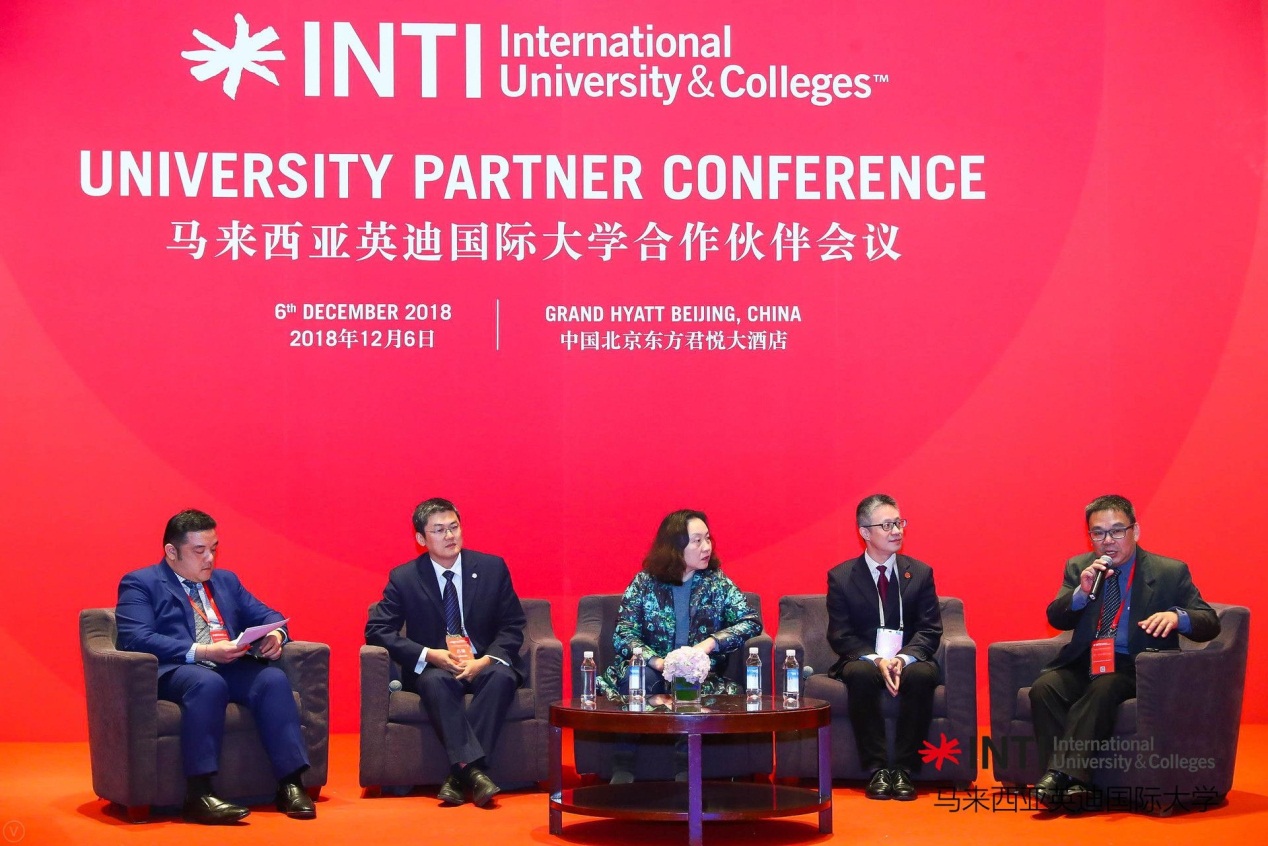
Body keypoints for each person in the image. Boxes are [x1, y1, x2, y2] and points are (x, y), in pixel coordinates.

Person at [115, 509, 314, 824]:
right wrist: (203, 651)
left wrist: (276, 635)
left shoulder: (225, 581)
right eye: (199, 551)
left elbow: (270, 615)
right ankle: (199, 793)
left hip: (226, 663)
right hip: (174, 669)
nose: (210, 558)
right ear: (172, 552)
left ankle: (290, 783)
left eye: (213, 549)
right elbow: (135, 637)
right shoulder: (141, 583)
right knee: (207, 684)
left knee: (272, 680)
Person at [1029, 494, 1219, 810]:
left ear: (1135, 531)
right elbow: (1056, 618)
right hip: (1087, 660)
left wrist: (1177, 617)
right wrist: (1081, 593)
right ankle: (1076, 786)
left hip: (1137, 664)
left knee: (1104, 687)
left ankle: (1059, 775)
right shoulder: (1079, 567)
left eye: (1117, 531)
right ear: (1090, 536)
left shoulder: (1169, 571)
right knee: (1044, 688)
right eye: (1098, 533)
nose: (1108, 541)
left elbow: (1209, 622)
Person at [365, 498, 526, 808]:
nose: (450, 536)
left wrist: (484, 660)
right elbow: (377, 629)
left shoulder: (491, 568)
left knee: (502, 677)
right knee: (436, 682)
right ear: (421, 538)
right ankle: (473, 773)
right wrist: (429, 654)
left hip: (483, 660)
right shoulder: (405, 577)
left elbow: (512, 624)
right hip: (437, 666)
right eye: (439, 530)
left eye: (454, 527)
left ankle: (460, 773)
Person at [596, 509, 762, 782]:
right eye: (697, 541)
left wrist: (708, 645)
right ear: (675, 547)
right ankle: (623, 764)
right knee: (638, 678)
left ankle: (686, 767)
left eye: (708, 538)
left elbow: (751, 621)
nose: (706, 547)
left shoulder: (716, 582)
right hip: (653, 668)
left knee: (688, 679)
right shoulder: (645, 583)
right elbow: (623, 633)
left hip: (699, 673)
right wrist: (657, 661)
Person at [826, 494, 942, 801]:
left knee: (921, 676)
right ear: (865, 532)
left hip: (911, 657)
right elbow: (840, 635)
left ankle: (904, 769)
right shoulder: (841, 577)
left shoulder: (920, 573)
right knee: (860, 673)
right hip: (864, 657)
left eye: (899, 523)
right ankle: (877, 768)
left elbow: (930, 629)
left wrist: (903, 659)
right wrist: (878, 659)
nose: (897, 531)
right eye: (887, 525)